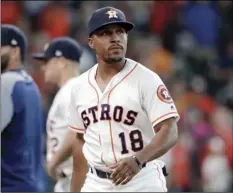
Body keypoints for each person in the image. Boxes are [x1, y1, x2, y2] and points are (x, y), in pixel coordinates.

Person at [68, 7, 180, 192]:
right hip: (96, 182)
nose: (115, 38)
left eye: (120, 31)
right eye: (105, 33)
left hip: (141, 178)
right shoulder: (79, 86)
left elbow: (170, 130)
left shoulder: (146, 79)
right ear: (91, 42)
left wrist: (139, 159)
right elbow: (80, 141)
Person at [32, 37, 83, 192]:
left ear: (61, 61)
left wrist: (54, 162)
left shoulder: (72, 90)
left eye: (47, 61)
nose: (43, 67)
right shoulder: (72, 89)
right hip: (69, 178)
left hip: (76, 179)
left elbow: (77, 131)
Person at [1, 24, 45, 192]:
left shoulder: (6, 83)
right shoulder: (31, 84)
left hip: (11, 186)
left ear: (14, 52)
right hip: (32, 184)